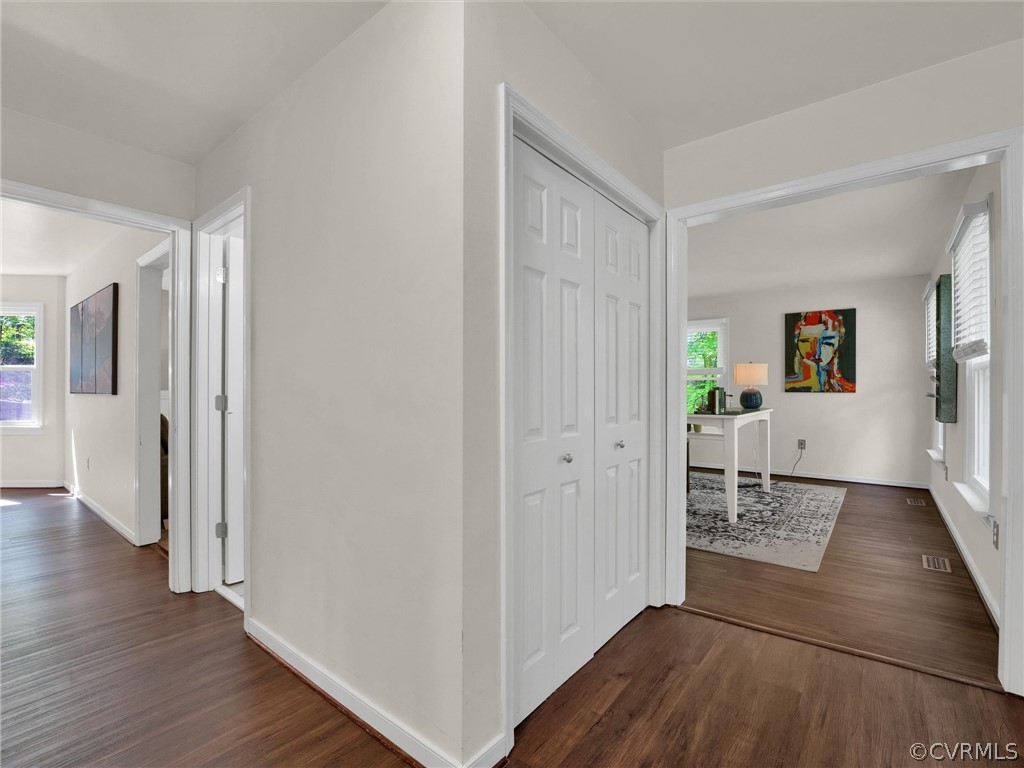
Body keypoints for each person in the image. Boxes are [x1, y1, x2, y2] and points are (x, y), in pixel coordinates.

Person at [785, 310, 855, 392]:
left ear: (837, 344)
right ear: (796, 341)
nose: (816, 353)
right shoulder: (788, 387)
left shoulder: (849, 390)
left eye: (827, 343)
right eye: (806, 341)